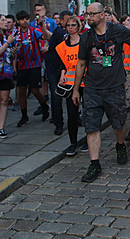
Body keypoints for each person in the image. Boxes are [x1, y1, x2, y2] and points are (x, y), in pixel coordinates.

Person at [72, 2, 130, 183]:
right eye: (86, 14)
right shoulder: (86, 38)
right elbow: (81, 64)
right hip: (92, 89)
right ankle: (94, 163)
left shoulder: (116, 31)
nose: (88, 18)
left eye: (91, 14)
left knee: (118, 123)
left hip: (114, 87)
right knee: (92, 126)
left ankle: (120, 145)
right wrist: (76, 89)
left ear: (102, 15)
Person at [14, 10, 51, 127]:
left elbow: (45, 37)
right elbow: (12, 50)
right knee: (22, 91)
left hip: (34, 65)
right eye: (22, 19)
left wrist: (42, 26)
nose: (24, 21)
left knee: (35, 90)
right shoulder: (15, 34)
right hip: (21, 66)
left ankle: (44, 106)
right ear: (18, 21)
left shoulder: (34, 31)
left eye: (26, 19)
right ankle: (24, 115)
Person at [56, 15, 84, 156]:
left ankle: (88, 139)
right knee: (72, 114)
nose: (71, 27)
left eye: (74, 25)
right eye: (68, 25)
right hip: (71, 84)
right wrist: (62, 74)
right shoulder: (62, 46)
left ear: (78, 27)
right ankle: (73, 143)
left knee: (89, 112)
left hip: (86, 82)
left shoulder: (85, 42)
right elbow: (63, 63)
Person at [44, 10, 73, 135]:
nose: (71, 25)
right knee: (56, 96)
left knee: (70, 96)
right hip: (54, 68)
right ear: (61, 21)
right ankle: (58, 123)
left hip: (66, 68)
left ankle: (74, 119)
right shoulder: (60, 32)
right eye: (68, 22)